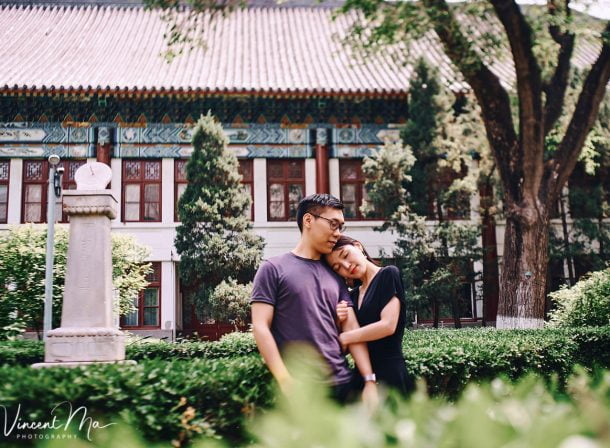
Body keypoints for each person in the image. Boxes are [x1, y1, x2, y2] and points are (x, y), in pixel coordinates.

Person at [250, 194, 378, 406]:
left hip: (344, 382)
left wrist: (369, 380)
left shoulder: (336, 275)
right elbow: (260, 327)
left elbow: (351, 327)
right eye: (333, 224)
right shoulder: (273, 269)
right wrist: (285, 381)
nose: (337, 233)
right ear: (308, 220)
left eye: (340, 227)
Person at [325, 235, 412, 395]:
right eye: (338, 268)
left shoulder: (388, 274)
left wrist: (345, 337)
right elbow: (343, 350)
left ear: (358, 246)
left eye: (345, 255)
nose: (346, 266)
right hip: (361, 377)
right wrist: (338, 321)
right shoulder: (351, 296)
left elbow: (388, 326)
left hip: (390, 375)